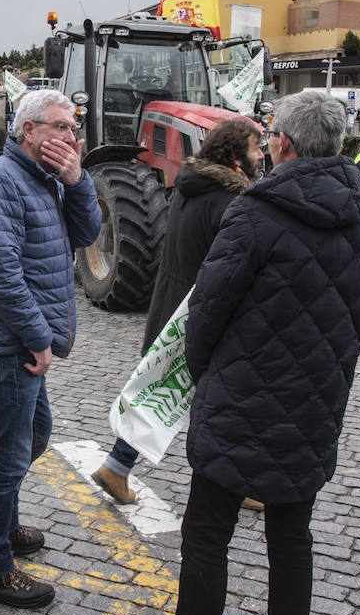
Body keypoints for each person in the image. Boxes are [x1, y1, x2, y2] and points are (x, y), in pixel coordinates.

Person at [172, 91, 360, 615]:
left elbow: (207, 310)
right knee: (291, 537)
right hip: (316, 401)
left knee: (206, 536)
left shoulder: (256, 210)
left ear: (284, 144)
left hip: (237, 397)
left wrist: (207, 372)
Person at [0, 89, 100, 609]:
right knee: (8, 455)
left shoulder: (49, 179)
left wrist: (78, 179)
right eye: (62, 128)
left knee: (35, 434)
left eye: (74, 128)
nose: (73, 138)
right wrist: (39, 339)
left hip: (24, 342)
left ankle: (6, 520)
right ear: (30, 131)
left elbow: (87, 233)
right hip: (11, 345)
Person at [91, 117, 263, 505]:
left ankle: (115, 468)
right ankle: (233, 485)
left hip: (171, 305)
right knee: (225, 399)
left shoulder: (189, 187)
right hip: (200, 314)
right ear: (236, 156)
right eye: (255, 148)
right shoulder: (229, 200)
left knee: (160, 391)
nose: (261, 155)